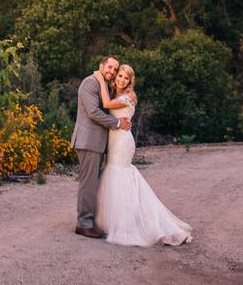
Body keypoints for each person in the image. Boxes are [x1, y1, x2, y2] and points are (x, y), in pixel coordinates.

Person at [93, 64, 192, 246]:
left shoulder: (130, 96)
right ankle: (110, 221)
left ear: (131, 81)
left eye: (126, 78)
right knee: (114, 175)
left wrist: (99, 78)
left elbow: (106, 105)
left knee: (119, 174)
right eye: (120, 76)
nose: (122, 80)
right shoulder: (115, 93)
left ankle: (130, 224)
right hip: (114, 139)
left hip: (122, 141)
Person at [71, 56, 131, 238]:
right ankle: (84, 224)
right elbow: (94, 112)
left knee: (93, 184)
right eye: (110, 67)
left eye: (115, 69)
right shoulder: (90, 83)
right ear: (101, 66)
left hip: (97, 142)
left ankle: (90, 221)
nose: (112, 72)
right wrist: (117, 123)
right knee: (88, 184)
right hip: (88, 140)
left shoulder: (104, 86)